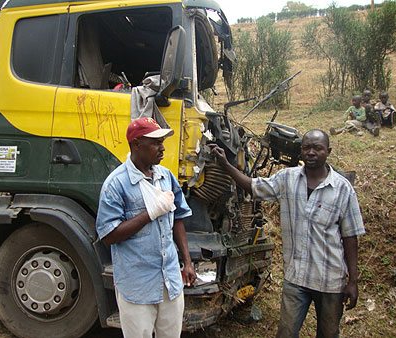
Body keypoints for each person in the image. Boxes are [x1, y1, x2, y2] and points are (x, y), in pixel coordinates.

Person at [211, 129, 365, 338]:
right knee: (286, 332)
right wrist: (226, 165)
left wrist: (353, 281)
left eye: (317, 148)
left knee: (328, 333)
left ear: (328, 151)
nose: (311, 152)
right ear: (301, 151)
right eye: (307, 148)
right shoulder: (287, 179)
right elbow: (253, 187)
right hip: (296, 278)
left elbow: (350, 236)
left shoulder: (342, 189)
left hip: (330, 281)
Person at [96, 117, 196, 338]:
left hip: (169, 280)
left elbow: (178, 217)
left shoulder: (165, 176)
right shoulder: (116, 184)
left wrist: (187, 262)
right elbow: (108, 235)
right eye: (155, 142)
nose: (162, 148)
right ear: (136, 145)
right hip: (137, 286)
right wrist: (150, 213)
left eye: (162, 141)